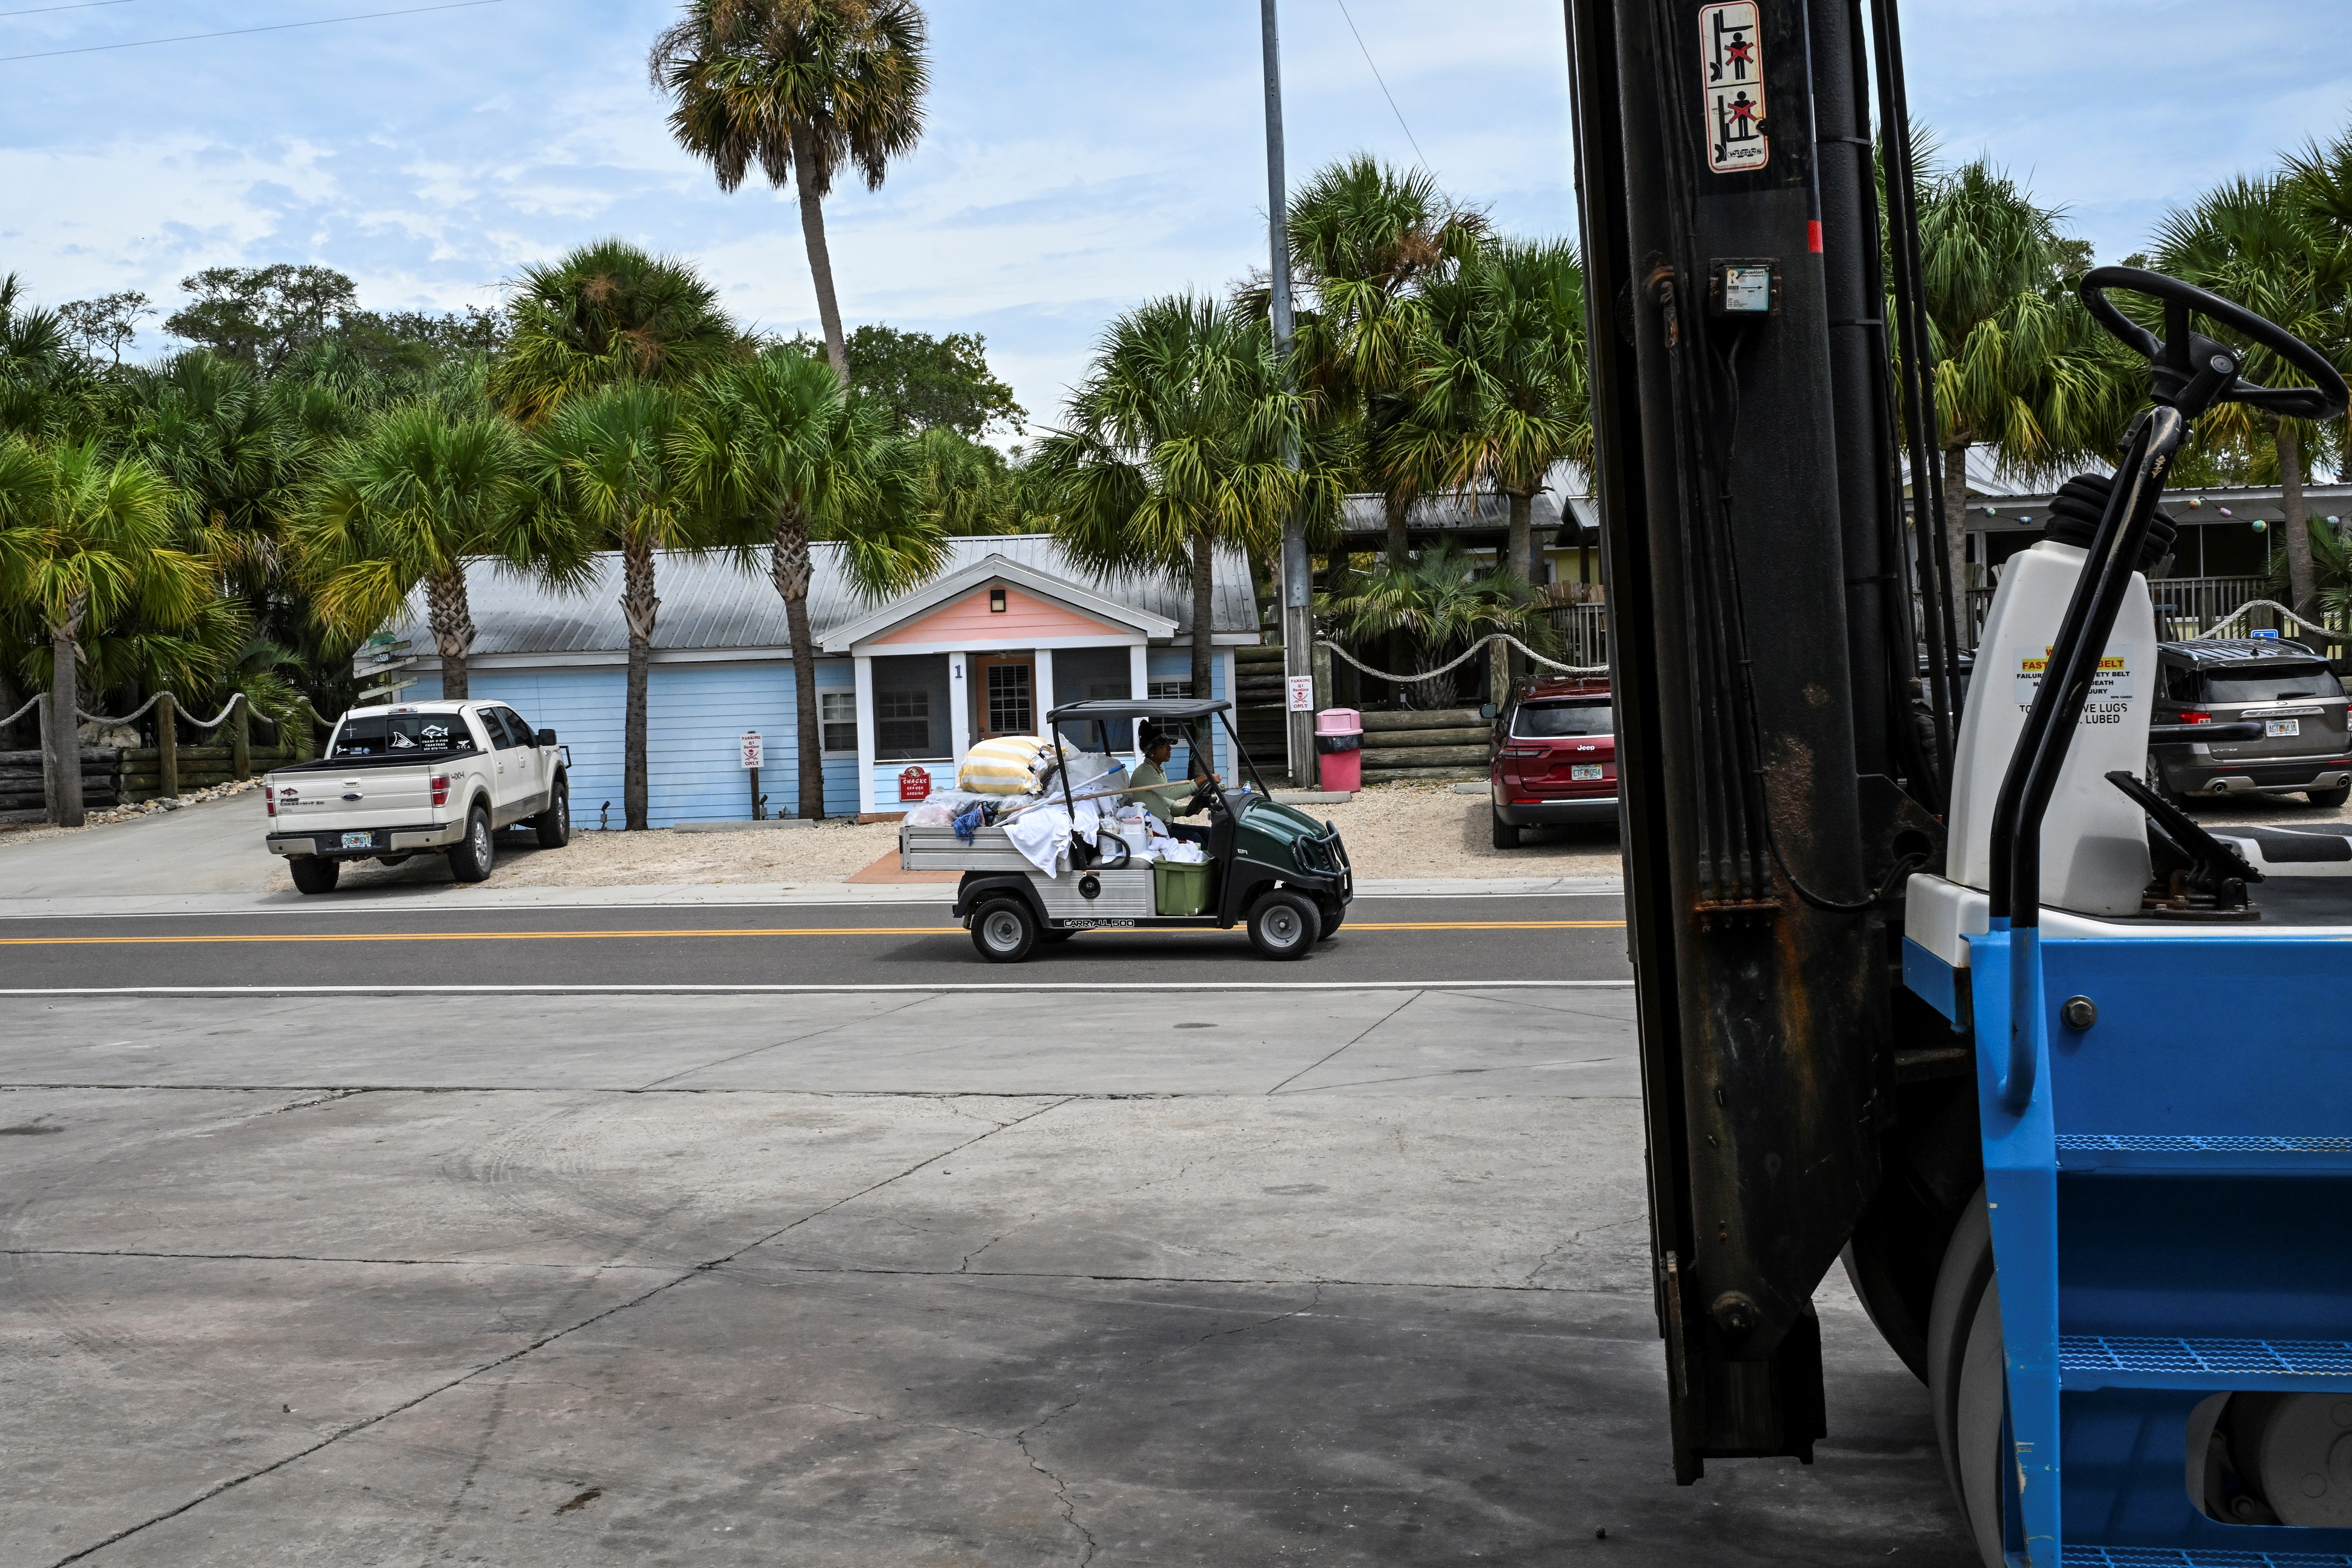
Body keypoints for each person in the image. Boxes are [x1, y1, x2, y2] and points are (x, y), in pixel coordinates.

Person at [1127, 725, 1218, 841]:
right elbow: (1172, 793)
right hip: (1153, 832)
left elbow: (1169, 805)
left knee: (1207, 832)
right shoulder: (1145, 772)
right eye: (1165, 746)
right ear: (1151, 751)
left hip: (1164, 827)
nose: (1170, 748)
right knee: (1194, 838)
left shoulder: (1158, 771)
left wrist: (1190, 809)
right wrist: (1204, 779)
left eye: (1169, 745)